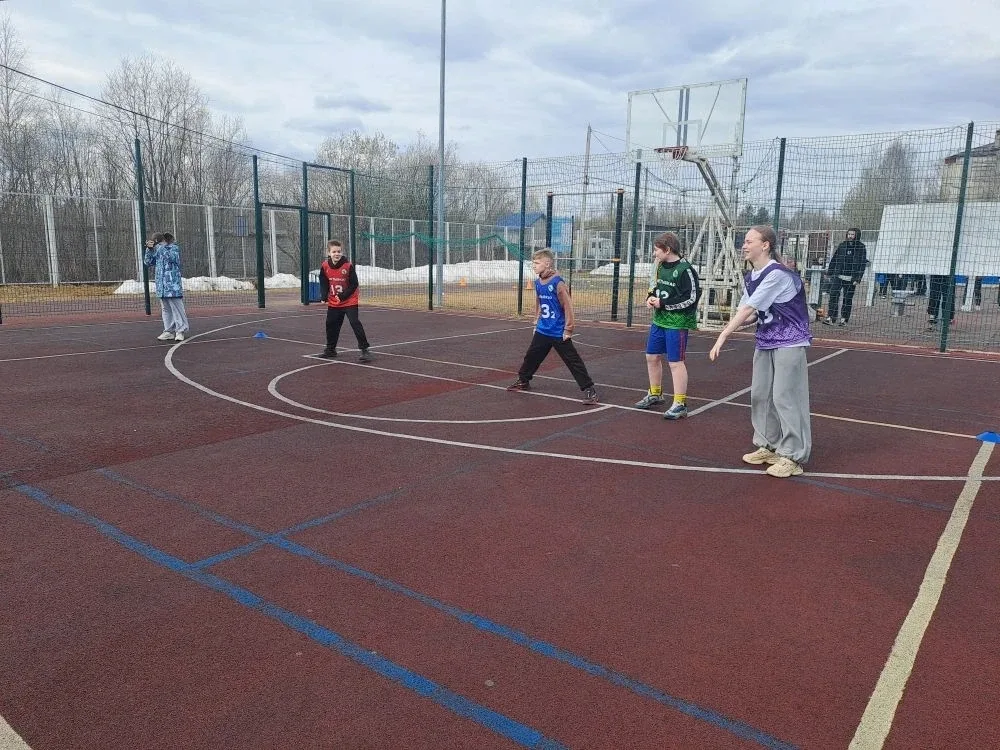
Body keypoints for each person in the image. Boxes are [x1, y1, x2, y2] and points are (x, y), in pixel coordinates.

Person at [709, 225, 813, 478]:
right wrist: (735, 321)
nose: (744, 246)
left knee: (785, 397)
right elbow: (750, 312)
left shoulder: (777, 274)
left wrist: (724, 334)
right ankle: (768, 445)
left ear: (765, 245)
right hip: (766, 340)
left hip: (790, 341)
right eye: (744, 242)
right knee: (760, 395)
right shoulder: (751, 276)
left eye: (749, 241)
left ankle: (793, 456)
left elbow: (748, 308)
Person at [506, 248, 599, 404]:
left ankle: (589, 389)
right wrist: (536, 322)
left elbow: (568, 307)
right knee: (531, 357)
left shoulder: (558, 283)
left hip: (558, 331)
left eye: (537, 263)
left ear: (547, 264)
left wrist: (568, 329)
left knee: (573, 361)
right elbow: (539, 304)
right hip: (543, 329)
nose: (534, 266)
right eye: (533, 263)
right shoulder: (538, 283)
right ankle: (523, 381)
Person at [634, 232, 701, 419]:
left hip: (677, 323)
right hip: (659, 320)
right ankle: (655, 393)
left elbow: (691, 298)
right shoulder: (659, 265)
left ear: (668, 249)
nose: (654, 253)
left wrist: (663, 303)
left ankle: (680, 403)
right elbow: (654, 286)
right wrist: (650, 297)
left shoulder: (685, 270)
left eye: (656, 250)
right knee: (652, 356)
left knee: (675, 362)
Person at [317, 240, 373, 362]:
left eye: (339, 251)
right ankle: (330, 349)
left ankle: (365, 349)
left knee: (354, 322)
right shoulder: (325, 266)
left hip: (349, 301)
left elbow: (354, 284)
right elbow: (323, 281)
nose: (337, 254)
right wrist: (324, 295)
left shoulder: (348, 266)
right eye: (334, 252)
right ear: (328, 253)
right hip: (334, 301)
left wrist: (343, 296)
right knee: (331, 324)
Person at [143, 231, 189, 341]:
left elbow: (172, 258)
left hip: (173, 286)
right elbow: (148, 262)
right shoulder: (157, 250)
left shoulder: (173, 248)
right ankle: (168, 330)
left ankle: (180, 330)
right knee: (166, 309)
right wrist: (149, 250)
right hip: (162, 286)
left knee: (177, 308)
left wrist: (160, 247)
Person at [822, 227, 867, 326]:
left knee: (847, 299)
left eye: (852, 234)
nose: (850, 236)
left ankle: (844, 319)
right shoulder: (842, 245)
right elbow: (834, 259)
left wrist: (858, 278)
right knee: (833, 296)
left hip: (851, 278)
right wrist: (829, 273)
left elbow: (862, 264)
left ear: (856, 235)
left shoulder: (861, 247)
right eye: (849, 234)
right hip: (838, 276)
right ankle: (831, 317)